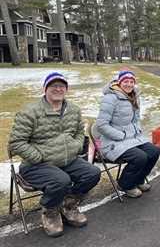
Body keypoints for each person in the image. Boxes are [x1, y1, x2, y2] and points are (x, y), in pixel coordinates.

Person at [9, 72, 101, 237]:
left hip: (67, 159)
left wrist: (76, 146)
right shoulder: (30, 111)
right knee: (61, 180)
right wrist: (38, 157)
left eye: (61, 86)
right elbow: (16, 143)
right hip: (36, 164)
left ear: (66, 89)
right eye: (53, 86)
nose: (58, 89)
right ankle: (50, 212)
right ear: (45, 89)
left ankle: (68, 205)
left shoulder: (73, 110)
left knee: (92, 173)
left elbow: (80, 132)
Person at [96, 69, 160, 198]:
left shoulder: (133, 96)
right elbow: (101, 125)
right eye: (125, 81)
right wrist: (120, 136)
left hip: (132, 138)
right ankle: (125, 184)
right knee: (140, 157)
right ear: (119, 83)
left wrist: (138, 132)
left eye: (131, 81)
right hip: (114, 141)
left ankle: (138, 180)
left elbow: (135, 119)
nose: (129, 84)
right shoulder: (111, 98)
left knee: (154, 151)